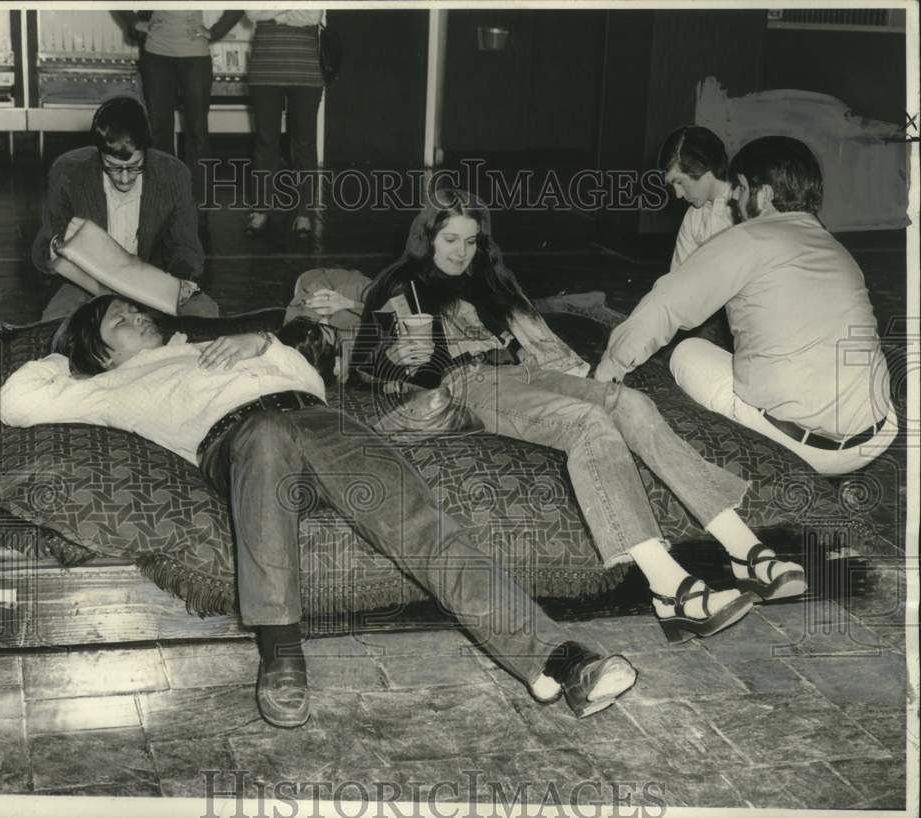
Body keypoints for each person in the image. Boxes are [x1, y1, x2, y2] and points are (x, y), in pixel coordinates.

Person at [0, 294, 641, 729]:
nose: (137, 315)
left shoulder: (213, 343)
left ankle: (557, 660)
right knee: (270, 438)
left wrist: (259, 343)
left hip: (323, 425)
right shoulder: (106, 387)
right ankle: (282, 656)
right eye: (118, 320)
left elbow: (309, 376)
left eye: (135, 308)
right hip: (245, 445)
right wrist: (63, 354)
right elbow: (16, 402)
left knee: (422, 525)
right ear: (99, 351)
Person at [353, 189, 806, 645]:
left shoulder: (483, 275)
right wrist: (395, 358)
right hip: (469, 383)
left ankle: (745, 549)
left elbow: (530, 333)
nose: (460, 252)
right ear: (427, 237)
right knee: (587, 423)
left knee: (629, 403)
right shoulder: (401, 284)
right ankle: (669, 588)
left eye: (471, 242)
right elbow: (365, 367)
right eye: (450, 240)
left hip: (524, 371)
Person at [595, 137, 897, 476]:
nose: (735, 202)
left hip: (809, 450)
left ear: (763, 194)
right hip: (877, 433)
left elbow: (665, 306)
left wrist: (606, 371)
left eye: (739, 190)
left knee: (688, 352)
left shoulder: (746, 237)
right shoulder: (839, 249)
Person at [32, 96, 218, 321]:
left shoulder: (174, 174)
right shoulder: (68, 171)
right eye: (112, 167)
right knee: (55, 326)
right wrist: (59, 246)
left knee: (205, 316)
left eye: (135, 166)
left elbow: (185, 246)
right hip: (87, 283)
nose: (124, 178)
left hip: (155, 278)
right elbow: (42, 247)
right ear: (98, 153)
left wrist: (176, 284)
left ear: (146, 150)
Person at [116, 11, 245, 206]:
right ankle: (165, 201)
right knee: (159, 131)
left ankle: (199, 204)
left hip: (195, 58)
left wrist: (216, 31)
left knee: (198, 132)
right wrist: (135, 22)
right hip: (156, 56)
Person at [243, 9, 325, 237]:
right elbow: (252, 12)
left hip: (305, 72)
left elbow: (312, 16)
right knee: (265, 142)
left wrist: (273, 12)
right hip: (264, 71)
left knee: (304, 145)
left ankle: (305, 214)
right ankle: (261, 209)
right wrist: (290, 11)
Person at [659, 126, 735, 268]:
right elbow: (678, 276)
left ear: (702, 167)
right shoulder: (693, 216)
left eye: (680, 182)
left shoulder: (747, 209)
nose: (678, 194)